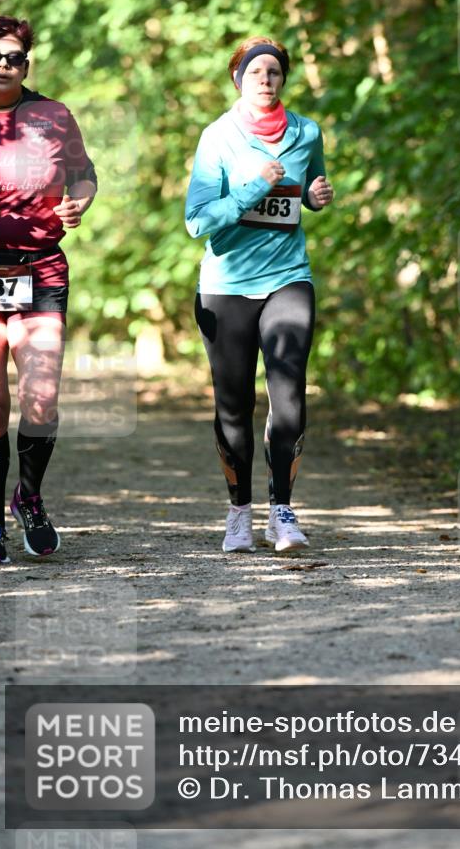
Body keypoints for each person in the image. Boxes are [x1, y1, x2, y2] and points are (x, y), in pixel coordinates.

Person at [186, 35, 334, 554]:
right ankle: (239, 513)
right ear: (238, 80)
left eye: (273, 72)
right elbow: (197, 220)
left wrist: (314, 195)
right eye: (255, 72)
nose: (265, 80)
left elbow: (308, 187)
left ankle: (282, 512)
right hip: (226, 286)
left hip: (289, 277)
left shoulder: (306, 132)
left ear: (283, 79)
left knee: (289, 392)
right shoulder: (217, 137)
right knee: (234, 403)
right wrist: (254, 187)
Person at [0, 15, 97, 565]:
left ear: (26, 66)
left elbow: (84, 173)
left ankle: (27, 497)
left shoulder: (53, 115)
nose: (3, 65)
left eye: (14, 58)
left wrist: (78, 204)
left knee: (41, 397)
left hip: (42, 271)